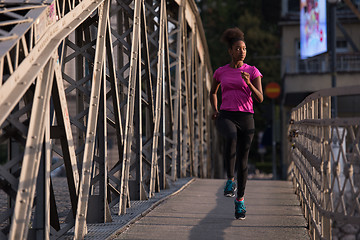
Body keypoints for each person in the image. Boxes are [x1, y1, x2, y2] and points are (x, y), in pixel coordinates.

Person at [210, 27, 263, 220]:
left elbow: (260, 98)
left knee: (243, 161)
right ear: (230, 51)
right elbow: (213, 92)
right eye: (238, 48)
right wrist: (215, 109)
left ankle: (240, 201)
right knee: (230, 137)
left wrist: (249, 83)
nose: (242, 51)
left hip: (246, 117)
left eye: (244, 48)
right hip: (226, 115)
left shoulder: (253, 71)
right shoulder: (221, 72)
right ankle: (230, 180)